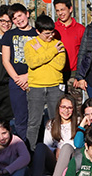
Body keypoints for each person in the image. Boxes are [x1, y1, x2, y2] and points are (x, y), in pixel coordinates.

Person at [24, 14, 67, 148]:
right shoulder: (31, 44)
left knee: (55, 121)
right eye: (46, 34)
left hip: (55, 86)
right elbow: (33, 63)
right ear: (38, 32)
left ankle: (56, 149)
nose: (50, 36)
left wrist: (42, 51)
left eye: (52, 32)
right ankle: (30, 151)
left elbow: (60, 65)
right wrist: (52, 52)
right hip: (36, 87)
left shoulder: (58, 44)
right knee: (34, 122)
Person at [23, 95, 78, 176]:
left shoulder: (78, 123)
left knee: (67, 147)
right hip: (55, 160)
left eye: (69, 108)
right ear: (58, 108)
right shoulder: (51, 124)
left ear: (73, 109)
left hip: (71, 161)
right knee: (40, 147)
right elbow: (47, 145)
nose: (66, 111)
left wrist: (61, 149)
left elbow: (78, 146)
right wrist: (56, 150)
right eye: (63, 107)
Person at [0, 3, 37, 142]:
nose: (18, 20)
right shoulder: (9, 35)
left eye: (20, 16)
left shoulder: (36, 33)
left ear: (27, 14)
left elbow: (42, 60)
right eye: (14, 19)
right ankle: (22, 146)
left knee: (34, 117)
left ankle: (35, 146)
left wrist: (27, 77)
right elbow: (5, 60)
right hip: (16, 82)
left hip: (34, 80)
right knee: (20, 118)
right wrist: (17, 79)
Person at [53, 0, 86, 106]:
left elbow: (85, 54)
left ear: (70, 9)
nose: (60, 13)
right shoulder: (53, 29)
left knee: (76, 106)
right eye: (57, 10)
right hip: (57, 74)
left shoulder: (80, 29)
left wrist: (80, 76)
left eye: (62, 9)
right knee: (59, 106)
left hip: (74, 75)